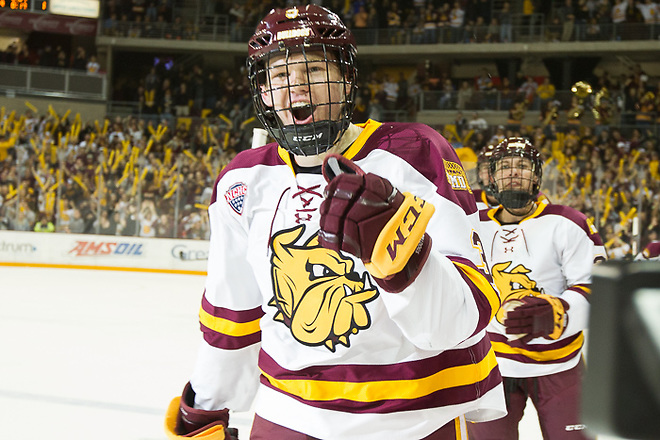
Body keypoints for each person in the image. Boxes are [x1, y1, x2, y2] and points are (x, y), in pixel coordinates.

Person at [165, 5, 506, 440]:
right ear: (264, 93)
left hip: (413, 416)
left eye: (312, 69)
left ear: (346, 80)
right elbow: (234, 316)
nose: (296, 88)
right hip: (288, 412)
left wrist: (404, 259)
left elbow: (463, 320)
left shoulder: (414, 152)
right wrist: (207, 408)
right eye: (280, 76)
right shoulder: (243, 179)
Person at [468, 138, 607, 440]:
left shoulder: (569, 222)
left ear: (536, 175)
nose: (513, 172)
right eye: (505, 166)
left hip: (559, 364)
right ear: (492, 177)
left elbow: (597, 286)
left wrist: (561, 313)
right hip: (493, 366)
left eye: (522, 165)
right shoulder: (472, 226)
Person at [474, 144, 499, 210]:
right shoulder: (470, 199)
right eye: (486, 168)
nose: (491, 173)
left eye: (495, 168)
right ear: (480, 173)